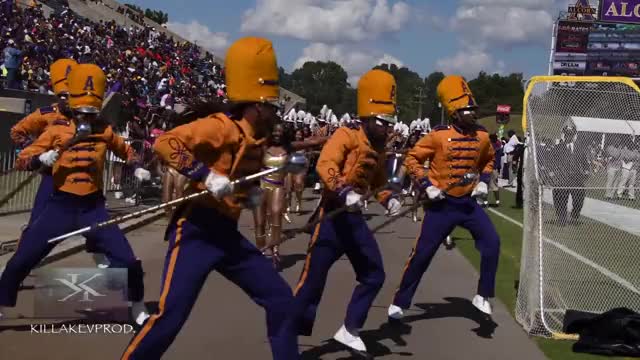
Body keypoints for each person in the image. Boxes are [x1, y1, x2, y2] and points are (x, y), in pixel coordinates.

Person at [120, 37, 300, 360]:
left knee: (282, 301)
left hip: (227, 236)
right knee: (169, 317)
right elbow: (166, 143)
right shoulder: (221, 127)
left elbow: (243, 192)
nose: (275, 112)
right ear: (256, 105)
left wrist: (255, 199)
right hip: (195, 232)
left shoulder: (256, 139)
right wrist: (204, 175)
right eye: (271, 105)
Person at [0, 64, 151, 324]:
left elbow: (127, 151)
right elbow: (22, 159)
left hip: (93, 208)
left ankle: (136, 304)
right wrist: (40, 158)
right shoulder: (56, 130)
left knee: (127, 259)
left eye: (91, 114)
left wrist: (136, 168)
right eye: (82, 114)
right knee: (23, 258)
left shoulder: (105, 131)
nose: (86, 120)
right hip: (60, 206)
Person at [288, 69, 402, 356]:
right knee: (312, 282)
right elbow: (325, 164)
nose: (388, 129)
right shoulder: (346, 134)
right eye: (383, 122)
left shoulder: (379, 147)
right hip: (331, 216)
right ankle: (286, 331)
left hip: (352, 220)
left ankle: (349, 329)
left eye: (390, 124)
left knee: (374, 274)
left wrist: (387, 199)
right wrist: (342, 190)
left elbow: (377, 181)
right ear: (368, 117)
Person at [388, 75, 500, 319]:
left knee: (492, 242)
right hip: (441, 205)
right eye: (467, 109)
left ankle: (483, 294)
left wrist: (483, 182)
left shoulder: (482, 137)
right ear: (455, 114)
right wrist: (427, 184)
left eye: (473, 108)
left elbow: (490, 159)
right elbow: (412, 158)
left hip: (468, 204)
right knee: (422, 255)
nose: (473, 113)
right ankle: (400, 302)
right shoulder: (438, 135)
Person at [10, 58, 109, 267]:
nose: (66, 100)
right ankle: (19, 264)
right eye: (62, 96)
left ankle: (103, 259)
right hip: (52, 177)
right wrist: (38, 152)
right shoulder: (45, 114)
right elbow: (17, 131)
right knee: (36, 223)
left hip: (80, 178)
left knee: (94, 223)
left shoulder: (88, 115)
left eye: (69, 95)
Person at [549, 126, 590, 225]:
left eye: (571, 134)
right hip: (562, 178)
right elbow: (551, 161)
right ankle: (562, 218)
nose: (568, 136)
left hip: (576, 178)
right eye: (567, 134)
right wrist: (552, 172)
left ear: (574, 135)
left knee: (579, 198)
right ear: (564, 135)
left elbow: (585, 162)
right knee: (560, 199)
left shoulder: (579, 148)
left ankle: (574, 216)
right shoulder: (558, 148)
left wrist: (586, 170)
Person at [486, 133, 502, 207]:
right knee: (494, 185)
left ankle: (485, 201)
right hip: (495, 168)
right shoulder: (499, 146)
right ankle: (497, 201)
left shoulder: (491, 146)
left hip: (489, 167)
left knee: (487, 184)